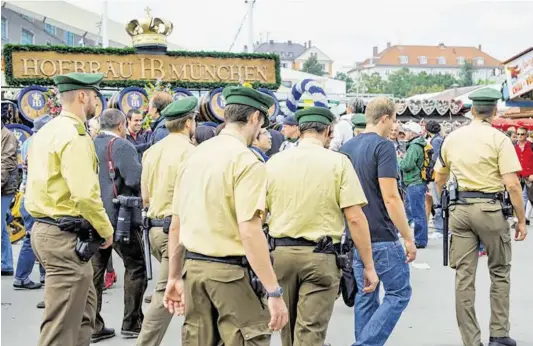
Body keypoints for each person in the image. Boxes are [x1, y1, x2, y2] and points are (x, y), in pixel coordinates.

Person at [163, 86, 289, 345]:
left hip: (194, 270)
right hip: (229, 274)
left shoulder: (194, 156)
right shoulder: (246, 161)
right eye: (262, 123)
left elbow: (176, 225)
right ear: (254, 118)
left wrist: (174, 277)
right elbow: (250, 230)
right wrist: (273, 291)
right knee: (249, 337)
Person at [267, 106, 378, 346]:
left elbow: (258, 215)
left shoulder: (274, 162)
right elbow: (356, 218)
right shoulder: (338, 162)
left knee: (288, 331)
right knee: (310, 334)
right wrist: (368, 266)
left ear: (299, 130)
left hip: (280, 255)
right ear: (328, 130)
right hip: (321, 256)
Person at [25, 72, 114, 346]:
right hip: (63, 234)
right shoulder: (74, 135)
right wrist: (106, 231)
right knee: (61, 327)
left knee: (83, 316)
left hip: (52, 230)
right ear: (82, 96)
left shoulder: (48, 130)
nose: (96, 103)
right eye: (95, 96)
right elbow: (86, 195)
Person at [435, 88, 527, 346]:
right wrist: (521, 220)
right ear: (494, 112)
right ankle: (498, 334)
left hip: (460, 209)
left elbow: (439, 175)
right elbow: (512, 184)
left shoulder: (452, 138)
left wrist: (446, 201)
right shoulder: (500, 139)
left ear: (472, 110)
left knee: (464, 276)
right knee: (499, 271)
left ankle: (470, 340)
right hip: (490, 208)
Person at [341, 98, 415, 346]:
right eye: (394, 119)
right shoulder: (383, 147)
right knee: (399, 292)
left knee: (366, 295)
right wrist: (407, 237)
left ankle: (364, 341)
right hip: (382, 232)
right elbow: (391, 197)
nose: (395, 124)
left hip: (356, 232)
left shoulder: (347, 147)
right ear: (385, 118)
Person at [136, 97, 197, 346]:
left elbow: (145, 196)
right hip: (178, 230)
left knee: (184, 290)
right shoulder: (192, 153)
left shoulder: (152, 151)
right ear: (189, 123)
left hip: (154, 227)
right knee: (167, 292)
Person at [92, 109, 147, 342]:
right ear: (121, 125)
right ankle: (131, 323)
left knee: (96, 273)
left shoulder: (90, 144)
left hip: (94, 216)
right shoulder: (122, 145)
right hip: (120, 217)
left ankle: (93, 325)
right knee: (135, 268)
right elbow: (134, 179)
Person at [13, 115, 52, 289]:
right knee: (32, 237)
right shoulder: (42, 144)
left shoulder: (29, 142)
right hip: (36, 196)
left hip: (28, 194)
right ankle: (21, 277)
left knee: (41, 236)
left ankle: (45, 275)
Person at [400, 122, 428, 248]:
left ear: (412, 133)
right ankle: (420, 238)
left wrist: (400, 160)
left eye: (406, 130)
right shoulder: (418, 145)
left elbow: (407, 165)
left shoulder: (414, 147)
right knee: (418, 211)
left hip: (414, 181)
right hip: (418, 181)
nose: (404, 133)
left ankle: (420, 240)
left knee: (417, 212)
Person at [1, 120, 19, 276]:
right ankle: (6, 264)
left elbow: (5, 164)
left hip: (4, 188)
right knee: (1, 226)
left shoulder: (8, 136)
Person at [425, 120, 444, 238]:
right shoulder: (439, 139)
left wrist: (429, 169)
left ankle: (440, 228)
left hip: (435, 174)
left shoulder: (436, 141)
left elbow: (435, 157)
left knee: (437, 202)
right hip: (437, 173)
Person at [514, 126, 533, 224]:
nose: (519, 136)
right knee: (518, 197)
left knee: (530, 197)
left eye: (522, 134)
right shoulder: (513, 146)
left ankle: (526, 217)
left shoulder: (531, 146)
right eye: (518, 134)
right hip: (517, 175)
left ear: (526, 135)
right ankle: (520, 219)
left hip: (529, 175)